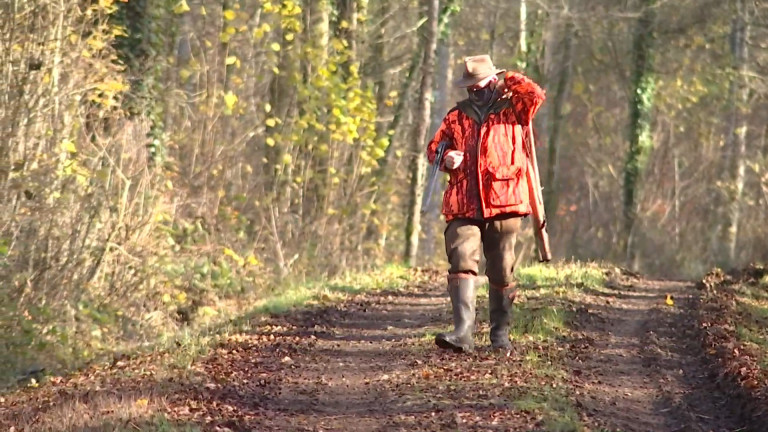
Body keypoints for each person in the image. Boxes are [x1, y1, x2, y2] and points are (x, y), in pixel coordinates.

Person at [426, 54, 545, 352]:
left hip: (504, 201)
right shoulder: (456, 115)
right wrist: (446, 157)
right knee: (461, 259)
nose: (474, 92)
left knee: (502, 268)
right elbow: (434, 148)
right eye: (469, 88)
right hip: (463, 201)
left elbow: (535, 96)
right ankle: (462, 333)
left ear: (492, 81)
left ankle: (500, 336)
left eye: (478, 86)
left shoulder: (514, 108)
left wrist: (512, 78)